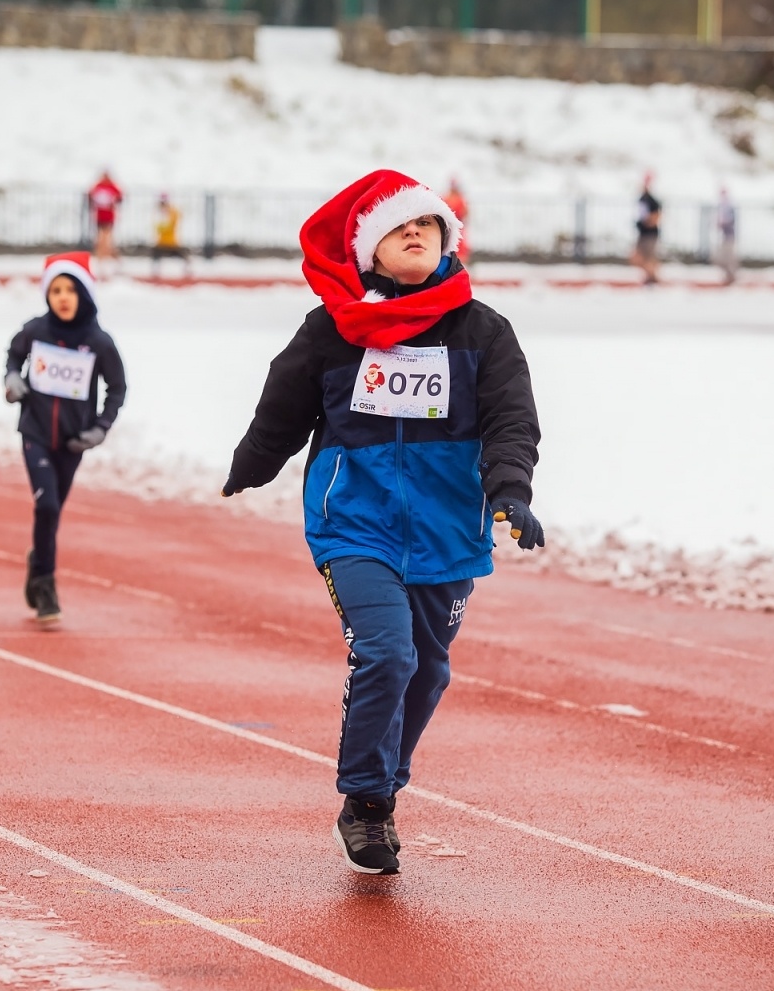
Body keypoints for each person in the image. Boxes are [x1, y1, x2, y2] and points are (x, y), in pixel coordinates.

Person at [222, 170, 544, 876]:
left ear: (447, 241)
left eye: (427, 226)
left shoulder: (484, 332)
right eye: (401, 229)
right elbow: (283, 408)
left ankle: (382, 787)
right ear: (370, 251)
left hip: (446, 531)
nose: (416, 236)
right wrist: (253, 463)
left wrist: (510, 492)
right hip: (354, 524)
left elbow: (511, 422)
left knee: (428, 671)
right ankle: (366, 803)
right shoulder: (333, 332)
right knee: (389, 653)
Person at [3, 252, 127, 624]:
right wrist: (12, 379)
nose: (62, 297)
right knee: (47, 507)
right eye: (55, 289)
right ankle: (45, 584)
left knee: (52, 513)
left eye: (70, 289)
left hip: (73, 442)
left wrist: (99, 429)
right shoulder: (35, 331)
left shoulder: (98, 341)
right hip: (36, 434)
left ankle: (37, 561)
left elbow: (118, 388)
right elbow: (13, 356)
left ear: (84, 294)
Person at [631, 172, 663, 285]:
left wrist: (649, 222)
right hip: (643, 232)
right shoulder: (641, 199)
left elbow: (657, 216)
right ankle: (651, 277)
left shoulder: (652, 201)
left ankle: (652, 278)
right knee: (639, 257)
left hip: (650, 233)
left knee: (649, 257)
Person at [150, 193, 191, 279]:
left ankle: (187, 268)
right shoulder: (162, 212)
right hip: (162, 241)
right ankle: (155, 271)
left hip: (171, 241)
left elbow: (169, 225)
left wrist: (160, 228)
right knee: (156, 254)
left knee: (180, 255)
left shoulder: (171, 211)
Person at [88, 170, 124, 264]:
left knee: (106, 240)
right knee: (101, 240)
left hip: (109, 217)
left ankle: (108, 258)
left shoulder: (112, 186)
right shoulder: (98, 186)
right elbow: (90, 196)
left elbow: (120, 198)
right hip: (100, 217)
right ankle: (102, 259)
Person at [442, 177, 471, 264]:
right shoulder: (448, 197)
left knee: (459, 243)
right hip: (451, 224)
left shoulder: (459, 198)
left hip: (457, 225)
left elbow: (465, 212)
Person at [713, 186, 737, 286]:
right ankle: (729, 275)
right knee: (723, 257)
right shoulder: (721, 206)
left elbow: (730, 220)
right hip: (725, 234)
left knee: (728, 256)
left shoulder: (729, 206)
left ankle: (731, 276)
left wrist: (723, 223)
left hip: (729, 234)